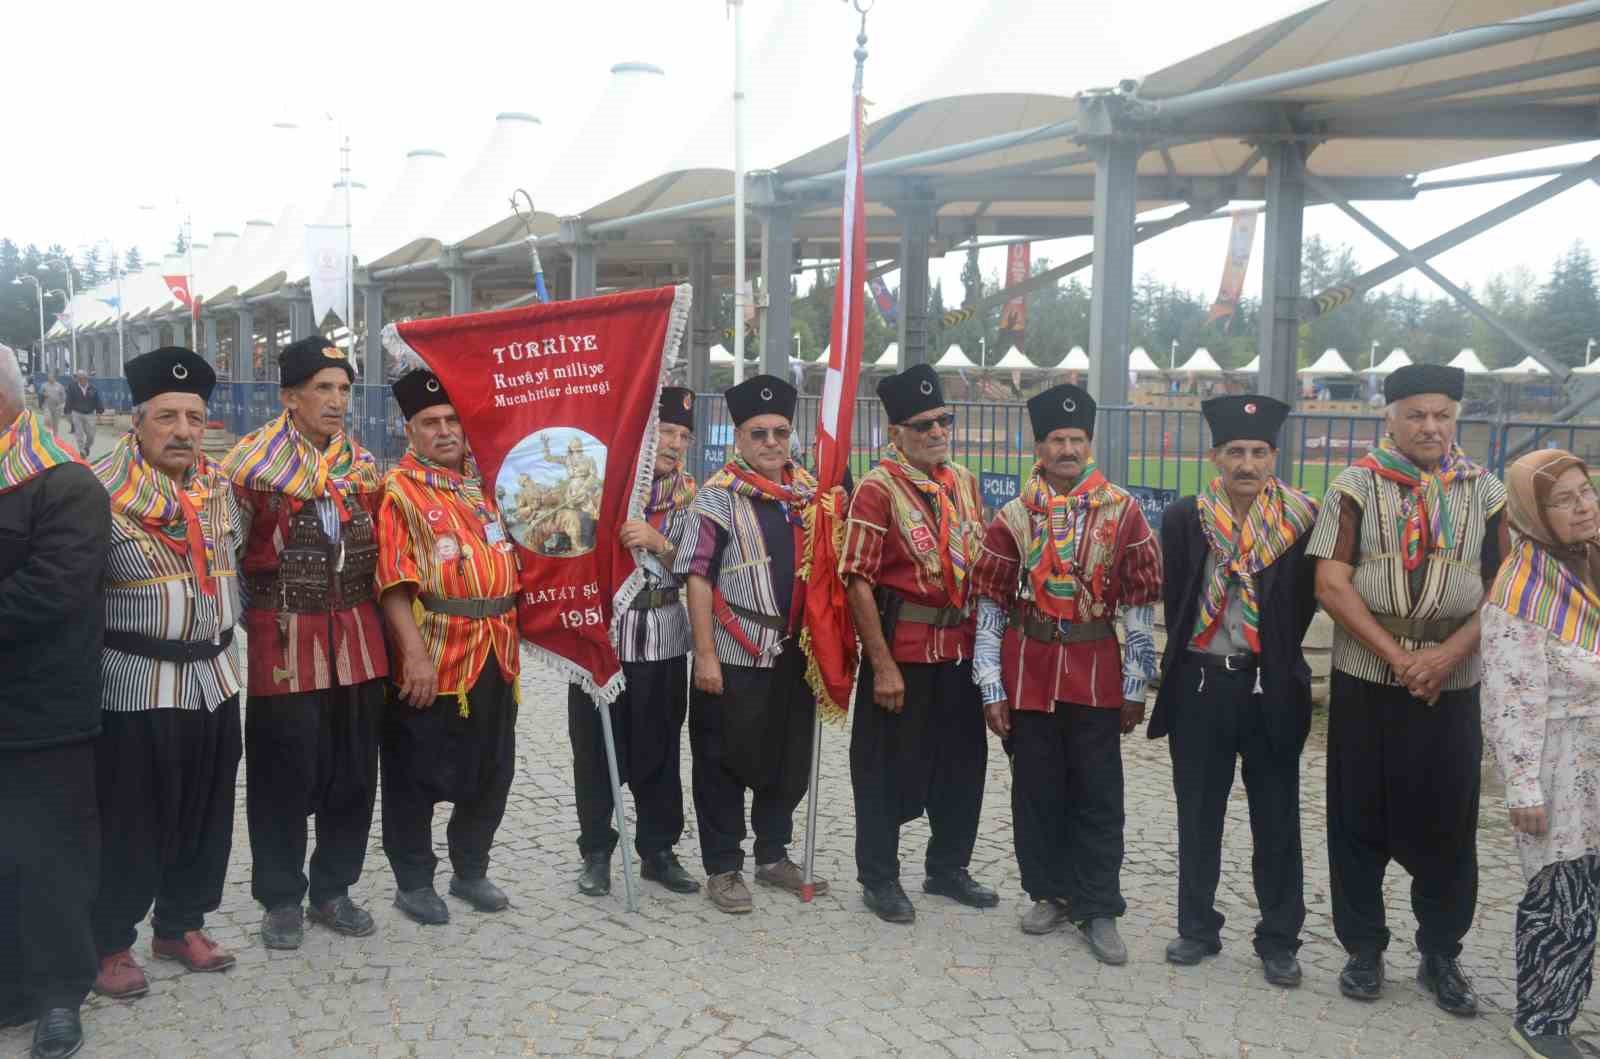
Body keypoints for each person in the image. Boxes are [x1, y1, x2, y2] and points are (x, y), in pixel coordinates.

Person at [1307, 363, 1506, 1013]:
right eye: (1416, 413)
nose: (1430, 426)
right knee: (1358, 810)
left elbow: (1507, 589)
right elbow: (1332, 583)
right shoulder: (1356, 485)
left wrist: (1448, 654)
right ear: (1389, 416)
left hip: (1455, 678)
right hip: (1370, 675)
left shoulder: (1486, 491)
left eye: (1442, 414)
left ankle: (1441, 951)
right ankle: (1364, 947)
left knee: (1450, 817)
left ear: (1457, 419)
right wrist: (1398, 656)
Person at [970, 382, 1161, 965]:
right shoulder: (1012, 516)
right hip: (1028, 670)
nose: (1068, 449)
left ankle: (1099, 905)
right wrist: (991, 686)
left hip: (1097, 671)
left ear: (1089, 443)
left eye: (1077, 439)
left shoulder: (1123, 512)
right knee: (1036, 790)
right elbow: (991, 605)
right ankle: (1048, 892)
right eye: (1058, 439)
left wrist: (1135, 685)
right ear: (1039, 446)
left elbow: (1138, 605)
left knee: (1099, 794)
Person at [219, 335, 388, 950]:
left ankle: (333, 888)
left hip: (360, 640)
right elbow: (225, 553)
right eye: (323, 388)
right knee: (281, 772)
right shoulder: (249, 466)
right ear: (290, 396)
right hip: (283, 640)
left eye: (343, 388)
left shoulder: (363, 467)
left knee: (352, 772)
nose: (337, 400)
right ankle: (281, 897)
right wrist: (253, 616)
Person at [87, 348, 245, 1003]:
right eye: (168, 416)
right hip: (135, 685)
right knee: (131, 820)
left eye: (195, 417)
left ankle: (180, 924)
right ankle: (109, 941)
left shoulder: (217, 486)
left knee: (206, 815)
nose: (183, 429)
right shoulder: (96, 490)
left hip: (214, 679)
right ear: (138, 419)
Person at [1146, 395, 1318, 987]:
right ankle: (1197, 927)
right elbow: (1177, 599)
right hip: (1201, 682)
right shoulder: (1184, 518)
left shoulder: (1302, 519)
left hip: (1270, 684)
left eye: (1259, 452)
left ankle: (1279, 939)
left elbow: (1303, 604)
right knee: (1199, 812)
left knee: (1277, 816)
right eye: (1236, 452)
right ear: (1214, 455)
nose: (1248, 464)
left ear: (1274, 455)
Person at [839, 364, 994, 924]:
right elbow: (856, 578)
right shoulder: (878, 490)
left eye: (943, 421)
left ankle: (948, 868)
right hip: (902, 651)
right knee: (884, 769)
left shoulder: (966, 484)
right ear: (896, 432)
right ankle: (879, 878)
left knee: (962, 765)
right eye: (923, 425)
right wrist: (882, 665)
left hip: (959, 651)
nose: (936, 432)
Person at [674, 374, 831, 913]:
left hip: (795, 654)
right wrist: (706, 655)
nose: (771, 442)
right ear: (737, 437)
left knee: (787, 760)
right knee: (722, 760)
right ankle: (723, 866)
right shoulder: (716, 499)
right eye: (758, 433)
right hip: (736, 652)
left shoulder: (810, 497)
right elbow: (697, 578)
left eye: (780, 432)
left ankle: (772, 854)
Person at [375, 369, 520, 925]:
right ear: (408, 430)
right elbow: (393, 579)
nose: (444, 430)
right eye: (430, 422)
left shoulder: (488, 486)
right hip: (435, 653)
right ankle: (413, 881)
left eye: (452, 419)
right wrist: (412, 654)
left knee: (491, 767)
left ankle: (471, 868)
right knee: (416, 771)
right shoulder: (399, 492)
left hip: (496, 650)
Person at [0, 343, 111, 1059]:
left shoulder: (65, 482)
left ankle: (59, 994)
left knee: (50, 858)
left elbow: (52, 591)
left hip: (42, 711)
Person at [1482, 450, 1600, 1059]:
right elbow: (1509, 697)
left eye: (1587, 492)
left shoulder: (1592, 565)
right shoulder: (1522, 590)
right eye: (1564, 499)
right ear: (1533, 511)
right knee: (1563, 898)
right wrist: (1523, 786)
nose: (1583, 506)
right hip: (1560, 763)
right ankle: (1541, 1022)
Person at [569, 387, 701, 898]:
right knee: (595, 750)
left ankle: (658, 850)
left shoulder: (697, 496)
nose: (675, 444)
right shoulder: (604, 487)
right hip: (604, 640)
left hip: (664, 638)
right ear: (646, 435)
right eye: (667, 432)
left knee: (662, 750)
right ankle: (597, 852)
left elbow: (702, 572)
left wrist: (659, 543)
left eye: (684, 435)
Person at [64, 369, 103, 457]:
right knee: (79, 433)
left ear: (86, 378)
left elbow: (97, 401)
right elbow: (69, 399)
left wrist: (99, 411)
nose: (80, 380)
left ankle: (86, 447)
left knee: (91, 435)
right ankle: (81, 450)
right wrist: (67, 411)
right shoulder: (72, 387)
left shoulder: (92, 389)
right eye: (79, 378)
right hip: (77, 413)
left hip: (90, 414)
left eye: (82, 378)